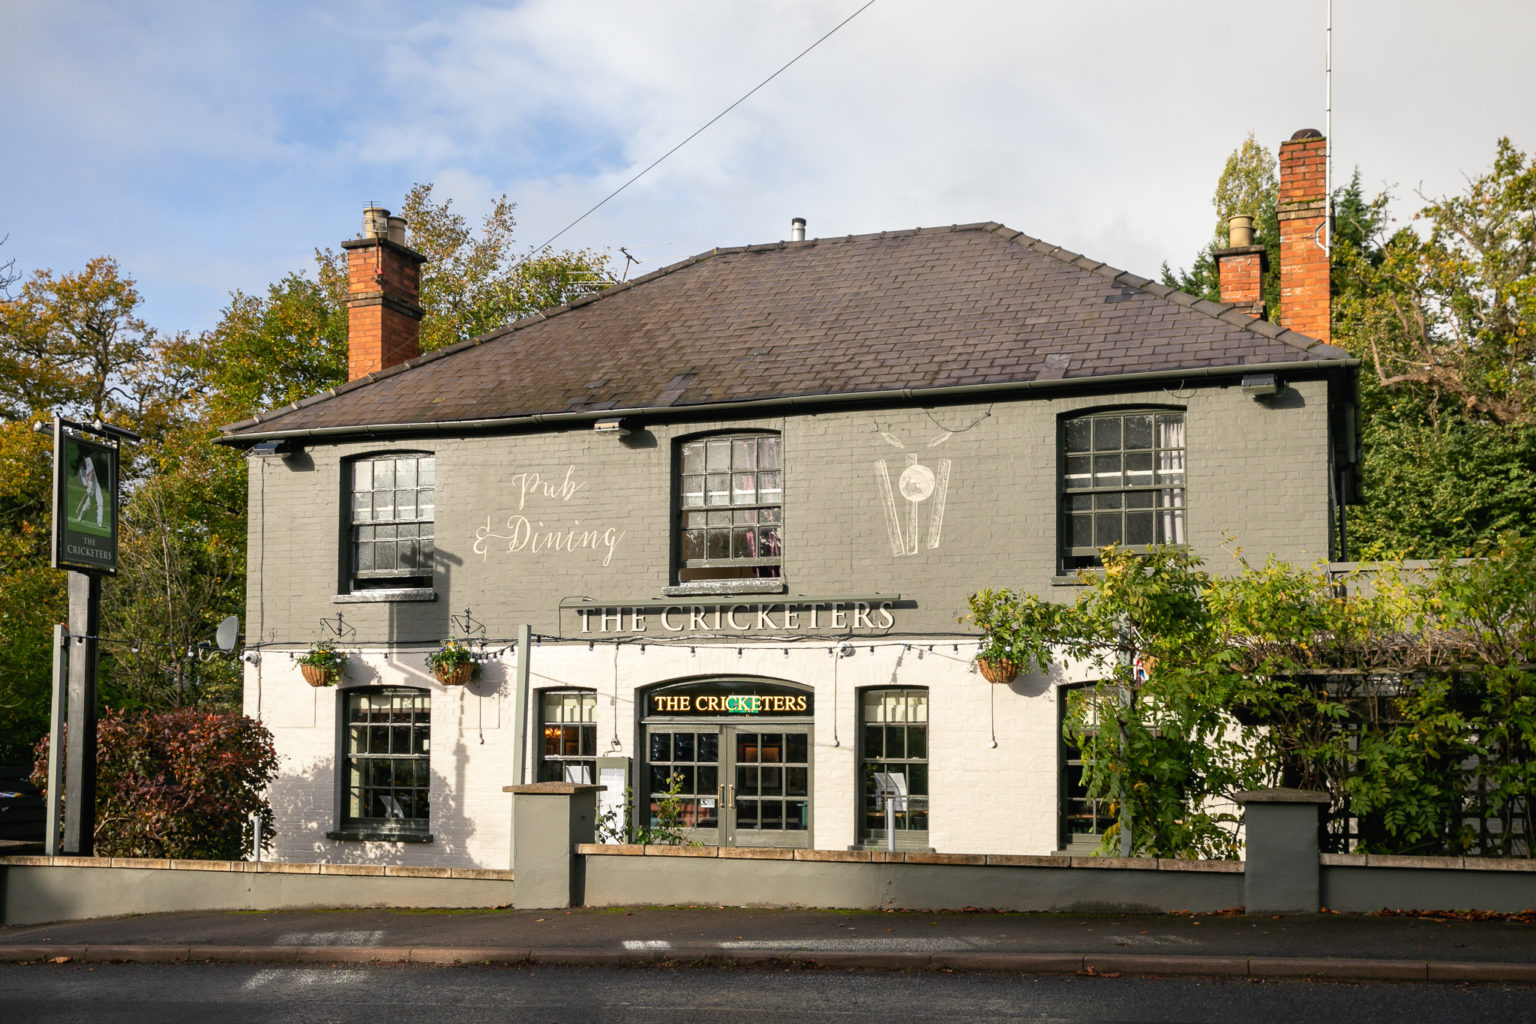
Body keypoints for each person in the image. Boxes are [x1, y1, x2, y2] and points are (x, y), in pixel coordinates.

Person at [74, 453, 105, 528]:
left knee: (100, 503)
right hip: (89, 488)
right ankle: (80, 516)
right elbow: (85, 483)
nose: (83, 463)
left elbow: (91, 473)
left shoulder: (88, 460)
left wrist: (90, 486)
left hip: (96, 486)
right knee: (87, 505)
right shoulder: (81, 471)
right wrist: (88, 489)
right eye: (81, 462)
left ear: (84, 459)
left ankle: (99, 522)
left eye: (83, 461)